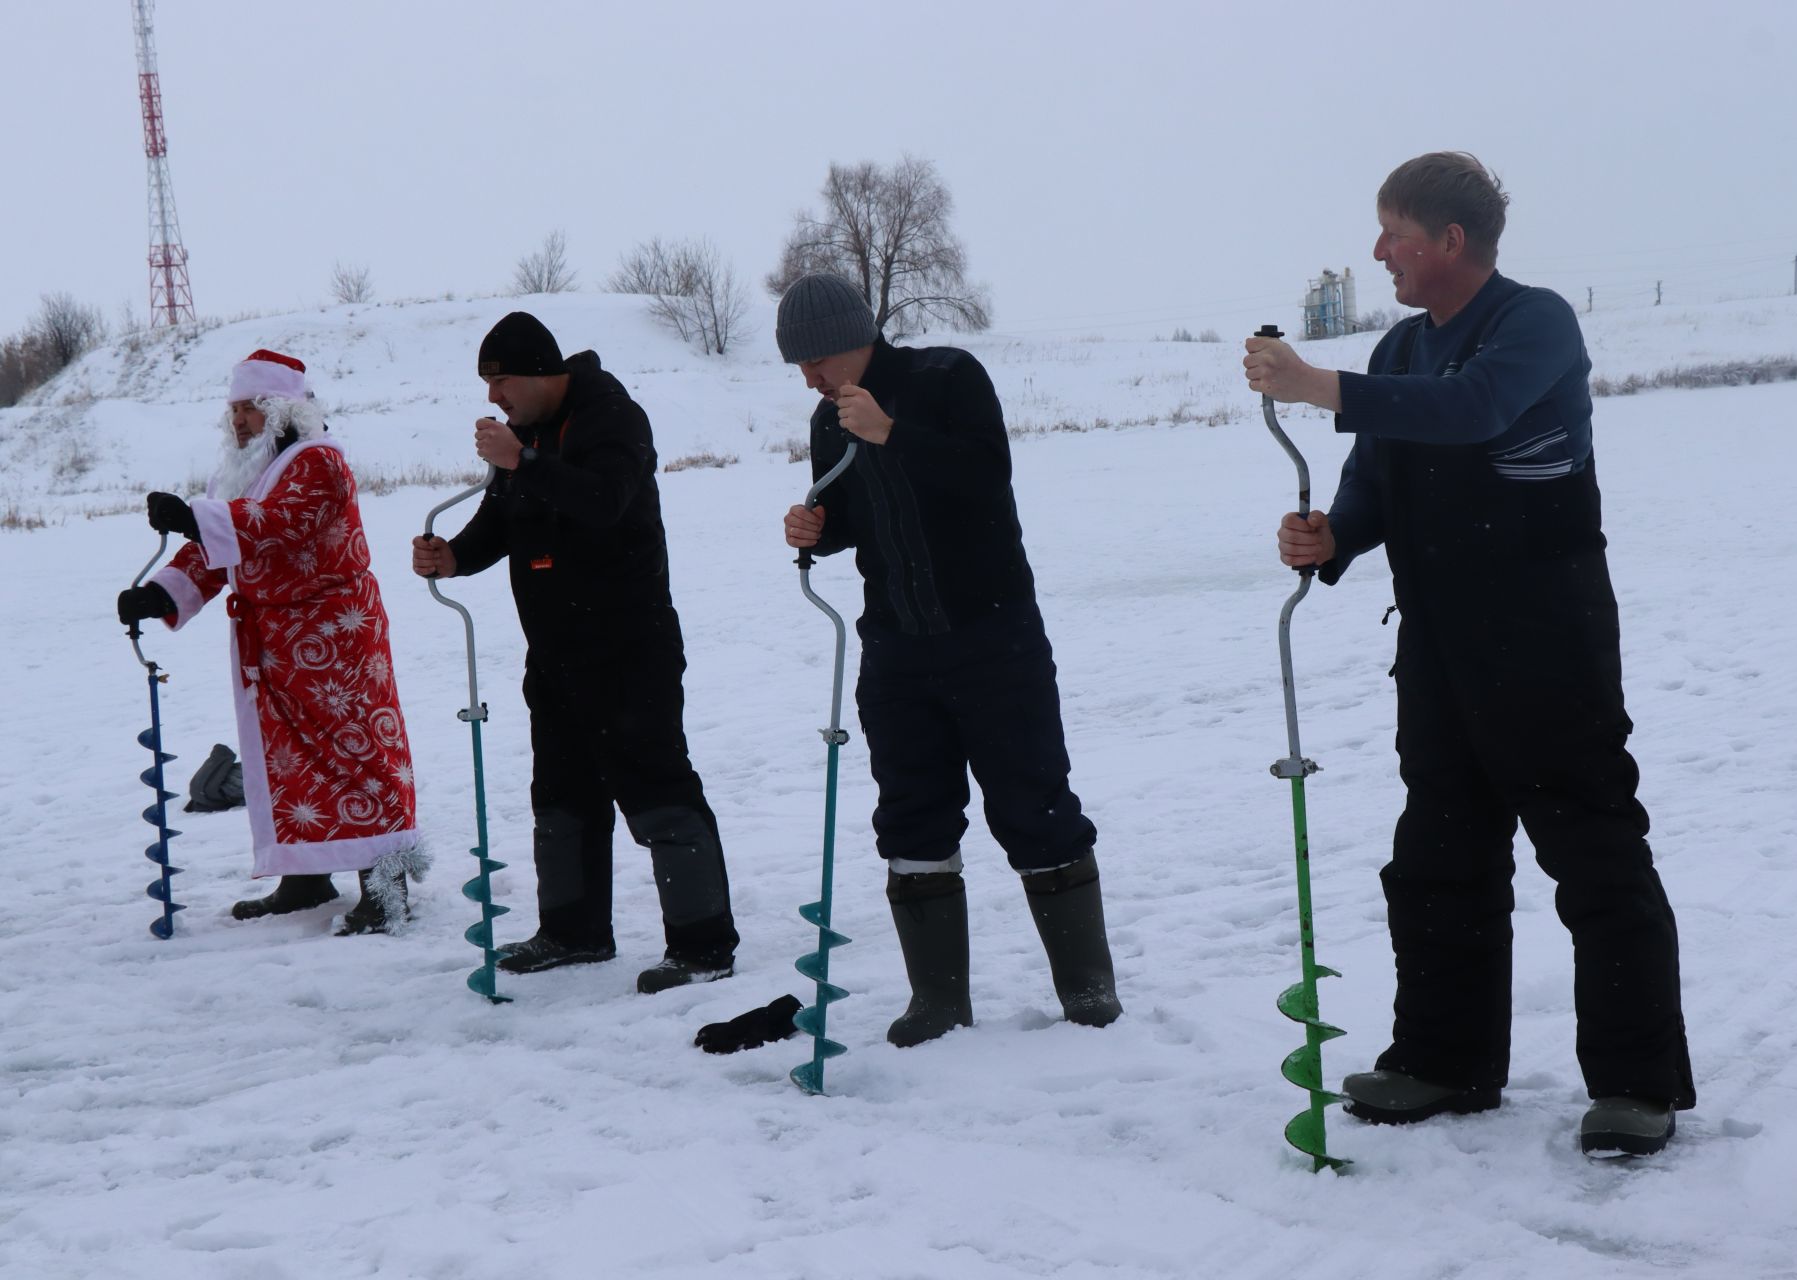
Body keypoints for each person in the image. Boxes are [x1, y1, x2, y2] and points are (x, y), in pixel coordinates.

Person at [1243, 152, 1693, 1156]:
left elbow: (1475, 411)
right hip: (1439, 648)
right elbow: (1374, 474)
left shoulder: (1534, 326)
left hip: (1549, 643)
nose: (1378, 252)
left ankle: (1637, 1081)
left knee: (1593, 853)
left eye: (1393, 233)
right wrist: (1333, 539)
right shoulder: (1402, 350)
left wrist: (1321, 383)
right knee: (1438, 855)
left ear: (1451, 242)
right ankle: (1444, 1059)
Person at [777, 273, 1122, 1046]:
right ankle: (937, 1000)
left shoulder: (948, 376)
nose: (809, 378)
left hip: (992, 634)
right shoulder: (829, 422)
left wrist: (891, 433)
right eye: (800, 367)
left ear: (852, 339)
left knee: (1035, 805)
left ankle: (1088, 988)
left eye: (815, 360)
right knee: (910, 817)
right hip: (895, 648)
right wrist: (816, 530)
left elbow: (984, 476)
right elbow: (851, 517)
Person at [410, 312, 737, 993]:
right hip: (554, 649)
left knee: (656, 790)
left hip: (629, 644)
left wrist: (523, 462)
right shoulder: (524, 437)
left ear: (536, 372)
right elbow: (501, 520)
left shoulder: (613, 417)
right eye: (488, 385)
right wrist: (454, 557)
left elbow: (604, 502)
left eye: (500, 382)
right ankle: (573, 931)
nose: (493, 398)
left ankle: (703, 947)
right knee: (561, 795)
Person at [117, 349, 423, 935]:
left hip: (336, 635)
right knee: (288, 760)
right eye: (233, 409)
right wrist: (161, 593)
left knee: (358, 753)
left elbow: (276, 523)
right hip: (272, 640)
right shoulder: (241, 471)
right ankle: (305, 877)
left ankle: (387, 888)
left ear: (282, 410)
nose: (238, 421)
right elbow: (220, 547)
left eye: (251, 409)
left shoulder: (319, 462)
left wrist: (193, 518)